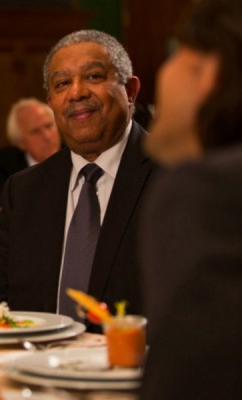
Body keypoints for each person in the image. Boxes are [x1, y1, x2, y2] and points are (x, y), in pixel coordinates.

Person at [0, 30, 158, 323]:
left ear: (130, 91)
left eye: (93, 76)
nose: (77, 93)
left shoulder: (176, 177)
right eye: (62, 83)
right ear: (51, 102)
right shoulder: (24, 190)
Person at [140, 0, 242, 398]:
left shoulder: (205, 192)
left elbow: (190, 379)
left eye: (173, 54)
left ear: (208, 71)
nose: (161, 73)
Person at [0, 98, 62, 204]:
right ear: (21, 142)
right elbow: (1, 206)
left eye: (49, 126)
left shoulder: (76, 154)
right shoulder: (3, 165)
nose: (47, 136)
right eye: (35, 131)